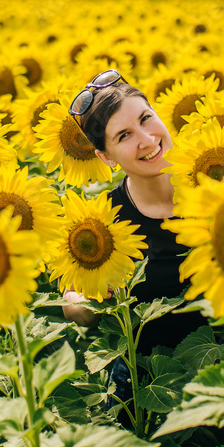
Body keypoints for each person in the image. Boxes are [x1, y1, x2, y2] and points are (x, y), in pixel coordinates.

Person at [61, 69, 209, 355]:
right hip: (147, 381)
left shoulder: (214, 176)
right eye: (124, 135)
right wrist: (85, 303)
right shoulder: (102, 219)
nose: (147, 140)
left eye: (146, 119)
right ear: (105, 157)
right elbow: (73, 302)